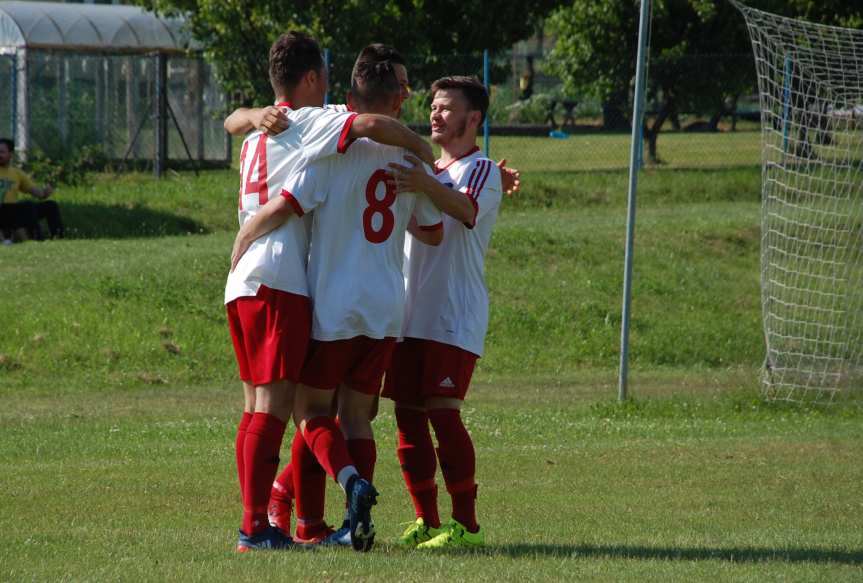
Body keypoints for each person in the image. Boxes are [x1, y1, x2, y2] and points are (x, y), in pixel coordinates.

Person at [224, 31, 433, 553]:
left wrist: (247, 226)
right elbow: (429, 224)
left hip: (254, 281)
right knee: (307, 410)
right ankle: (281, 524)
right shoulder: (318, 124)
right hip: (312, 287)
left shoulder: (257, 135)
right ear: (313, 78)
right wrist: (420, 147)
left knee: (269, 407)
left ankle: (280, 524)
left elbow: (238, 126)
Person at [383, 75, 503, 549]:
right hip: (410, 314)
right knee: (407, 416)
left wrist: (425, 180)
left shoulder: (482, 168)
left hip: (454, 314)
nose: (435, 114)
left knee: (443, 415)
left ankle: (466, 526)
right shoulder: (429, 169)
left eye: (447, 107)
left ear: (473, 119)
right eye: (433, 106)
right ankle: (426, 521)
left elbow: (465, 208)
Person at [0, 138, 63, 243]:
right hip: (2, 209)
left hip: (13, 210)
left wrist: (45, 192)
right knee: (27, 205)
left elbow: (38, 194)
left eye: (2, 152)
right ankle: (38, 238)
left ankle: (58, 238)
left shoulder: (17, 173)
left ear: (11, 154)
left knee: (50, 206)